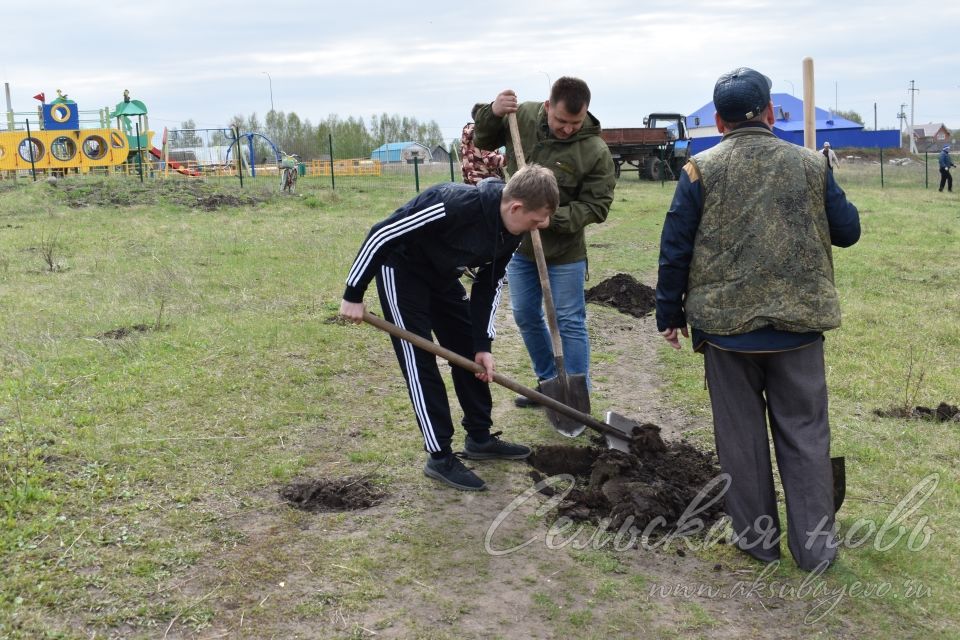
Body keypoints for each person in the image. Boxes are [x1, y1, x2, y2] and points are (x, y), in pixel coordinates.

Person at [655, 67, 861, 572]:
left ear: (719, 122)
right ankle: (816, 551)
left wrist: (668, 312)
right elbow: (849, 231)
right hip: (799, 330)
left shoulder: (699, 168)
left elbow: (675, 245)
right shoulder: (811, 165)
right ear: (770, 113)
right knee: (807, 437)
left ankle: (757, 541)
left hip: (727, 333)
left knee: (740, 441)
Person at [339, 165, 559, 492]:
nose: (542, 226)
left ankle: (480, 438)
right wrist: (353, 294)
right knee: (420, 362)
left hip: (443, 278)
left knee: (468, 352)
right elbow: (381, 234)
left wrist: (483, 344)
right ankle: (440, 456)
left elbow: (490, 283)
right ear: (515, 207)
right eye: (537, 219)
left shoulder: (513, 232)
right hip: (402, 272)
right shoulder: (451, 203)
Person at [472, 77, 616, 407]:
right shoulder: (520, 117)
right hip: (518, 245)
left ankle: (577, 397)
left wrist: (553, 219)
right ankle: (549, 383)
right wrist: (492, 112)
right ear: (548, 107)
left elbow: (597, 206)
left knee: (569, 320)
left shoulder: (594, 151)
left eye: (575, 123)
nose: (567, 129)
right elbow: (484, 139)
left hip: (565, 251)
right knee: (524, 313)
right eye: (561, 121)